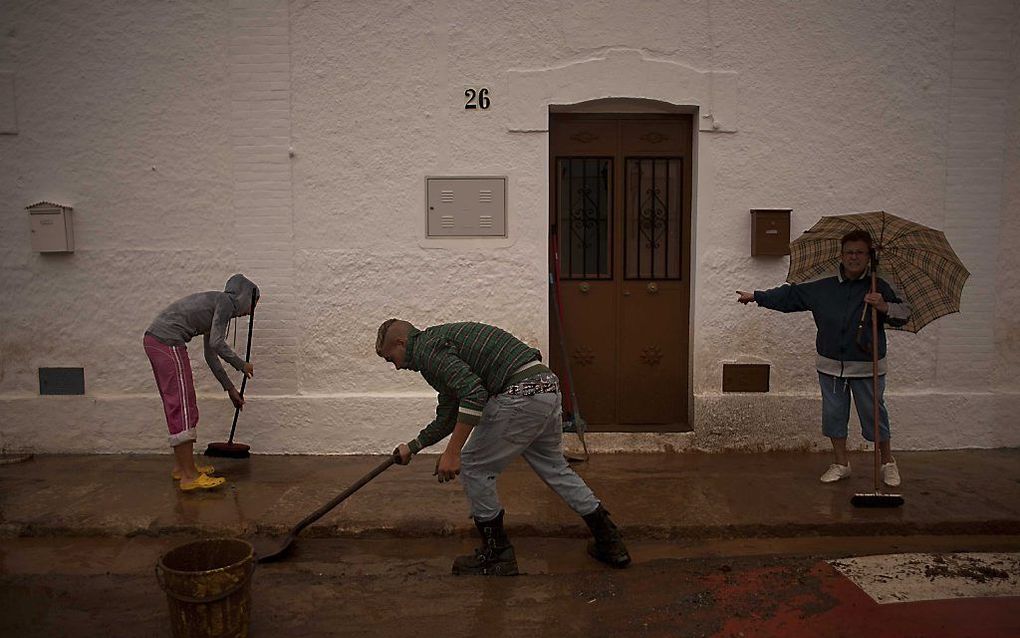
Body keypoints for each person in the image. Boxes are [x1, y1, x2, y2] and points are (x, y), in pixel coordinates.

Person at [375, 319, 631, 575]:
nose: (396, 367)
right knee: (555, 468)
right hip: (546, 388)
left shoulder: (427, 352)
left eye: (391, 359)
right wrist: (414, 446)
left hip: (520, 394)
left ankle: (497, 554)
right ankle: (610, 542)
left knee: (474, 467)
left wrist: (453, 453)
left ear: (402, 343)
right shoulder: (436, 347)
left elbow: (473, 395)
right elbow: (449, 413)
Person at [736, 230, 910, 486]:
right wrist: (758, 297)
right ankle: (841, 463)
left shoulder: (879, 285)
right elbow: (790, 296)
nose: (854, 257)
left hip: (866, 365)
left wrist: (883, 306)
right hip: (830, 365)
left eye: (860, 253)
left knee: (874, 415)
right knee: (834, 415)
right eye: (849, 252)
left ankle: (887, 463)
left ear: (869, 256)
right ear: (841, 255)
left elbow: (904, 313)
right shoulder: (823, 284)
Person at [143, 274, 259, 491]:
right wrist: (241, 365)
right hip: (168, 341)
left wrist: (230, 390)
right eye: (253, 303)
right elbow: (217, 343)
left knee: (179, 403)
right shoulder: (224, 302)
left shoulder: (216, 304)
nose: (251, 311)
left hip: (157, 341)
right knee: (183, 405)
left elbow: (210, 354)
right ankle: (189, 476)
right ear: (244, 295)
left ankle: (182, 468)